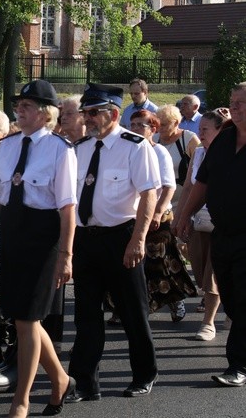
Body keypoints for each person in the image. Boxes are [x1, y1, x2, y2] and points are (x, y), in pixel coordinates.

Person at [0, 80, 76, 418]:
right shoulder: (6, 148)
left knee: (27, 320)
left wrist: (66, 255)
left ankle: (21, 399)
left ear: (46, 114)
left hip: (43, 239)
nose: (19, 110)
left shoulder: (61, 150)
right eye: (19, 105)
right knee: (24, 318)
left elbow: (67, 210)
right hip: (15, 236)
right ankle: (61, 378)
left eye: (28, 106)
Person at [66, 83, 160, 403]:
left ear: (114, 114)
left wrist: (138, 240)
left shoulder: (134, 146)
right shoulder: (79, 149)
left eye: (93, 113)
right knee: (86, 315)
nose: (87, 118)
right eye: (85, 113)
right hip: (86, 240)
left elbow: (149, 194)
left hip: (122, 237)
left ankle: (143, 375)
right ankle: (84, 382)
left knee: (133, 312)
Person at [177, 82, 246, 388]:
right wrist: (185, 216)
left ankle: (238, 365)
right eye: (233, 102)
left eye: (242, 103)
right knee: (230, 297)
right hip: (223, 233)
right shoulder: (223, 140)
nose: (235, 108)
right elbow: (202, 183)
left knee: (243, 300)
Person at [128, 110, 195, 317]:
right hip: (133, 215)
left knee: (161, 263)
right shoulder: (128, 149)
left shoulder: (159, 152)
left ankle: (175, 301)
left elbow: (169, 186)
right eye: (133, 124)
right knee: (134, 264)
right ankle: (128, 307)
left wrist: (157, 212)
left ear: (152, 129)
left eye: (141, 125)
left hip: (158, 215)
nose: (136, 129)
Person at [173, 108, 230, 342]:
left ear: (220, 131)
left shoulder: (231, 154)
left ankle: (208, 323)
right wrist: (180, 218)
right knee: (199, 269)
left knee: (211, 275)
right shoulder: (198, 154)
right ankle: (230, 304)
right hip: (199, 222)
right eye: (199, 129)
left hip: (224, 224)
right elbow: (189, 187)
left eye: (205, 130)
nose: (200, 134)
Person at [153, 104, 200, 322]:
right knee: (162, 257)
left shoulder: (188, 139)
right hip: (157, 204)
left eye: (165, 124)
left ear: (176, 123)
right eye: (157, 124)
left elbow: (199, 170)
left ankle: (195, 287)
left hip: (184, 201)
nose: (160, 128)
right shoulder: (154, 141)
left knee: (175, 253)